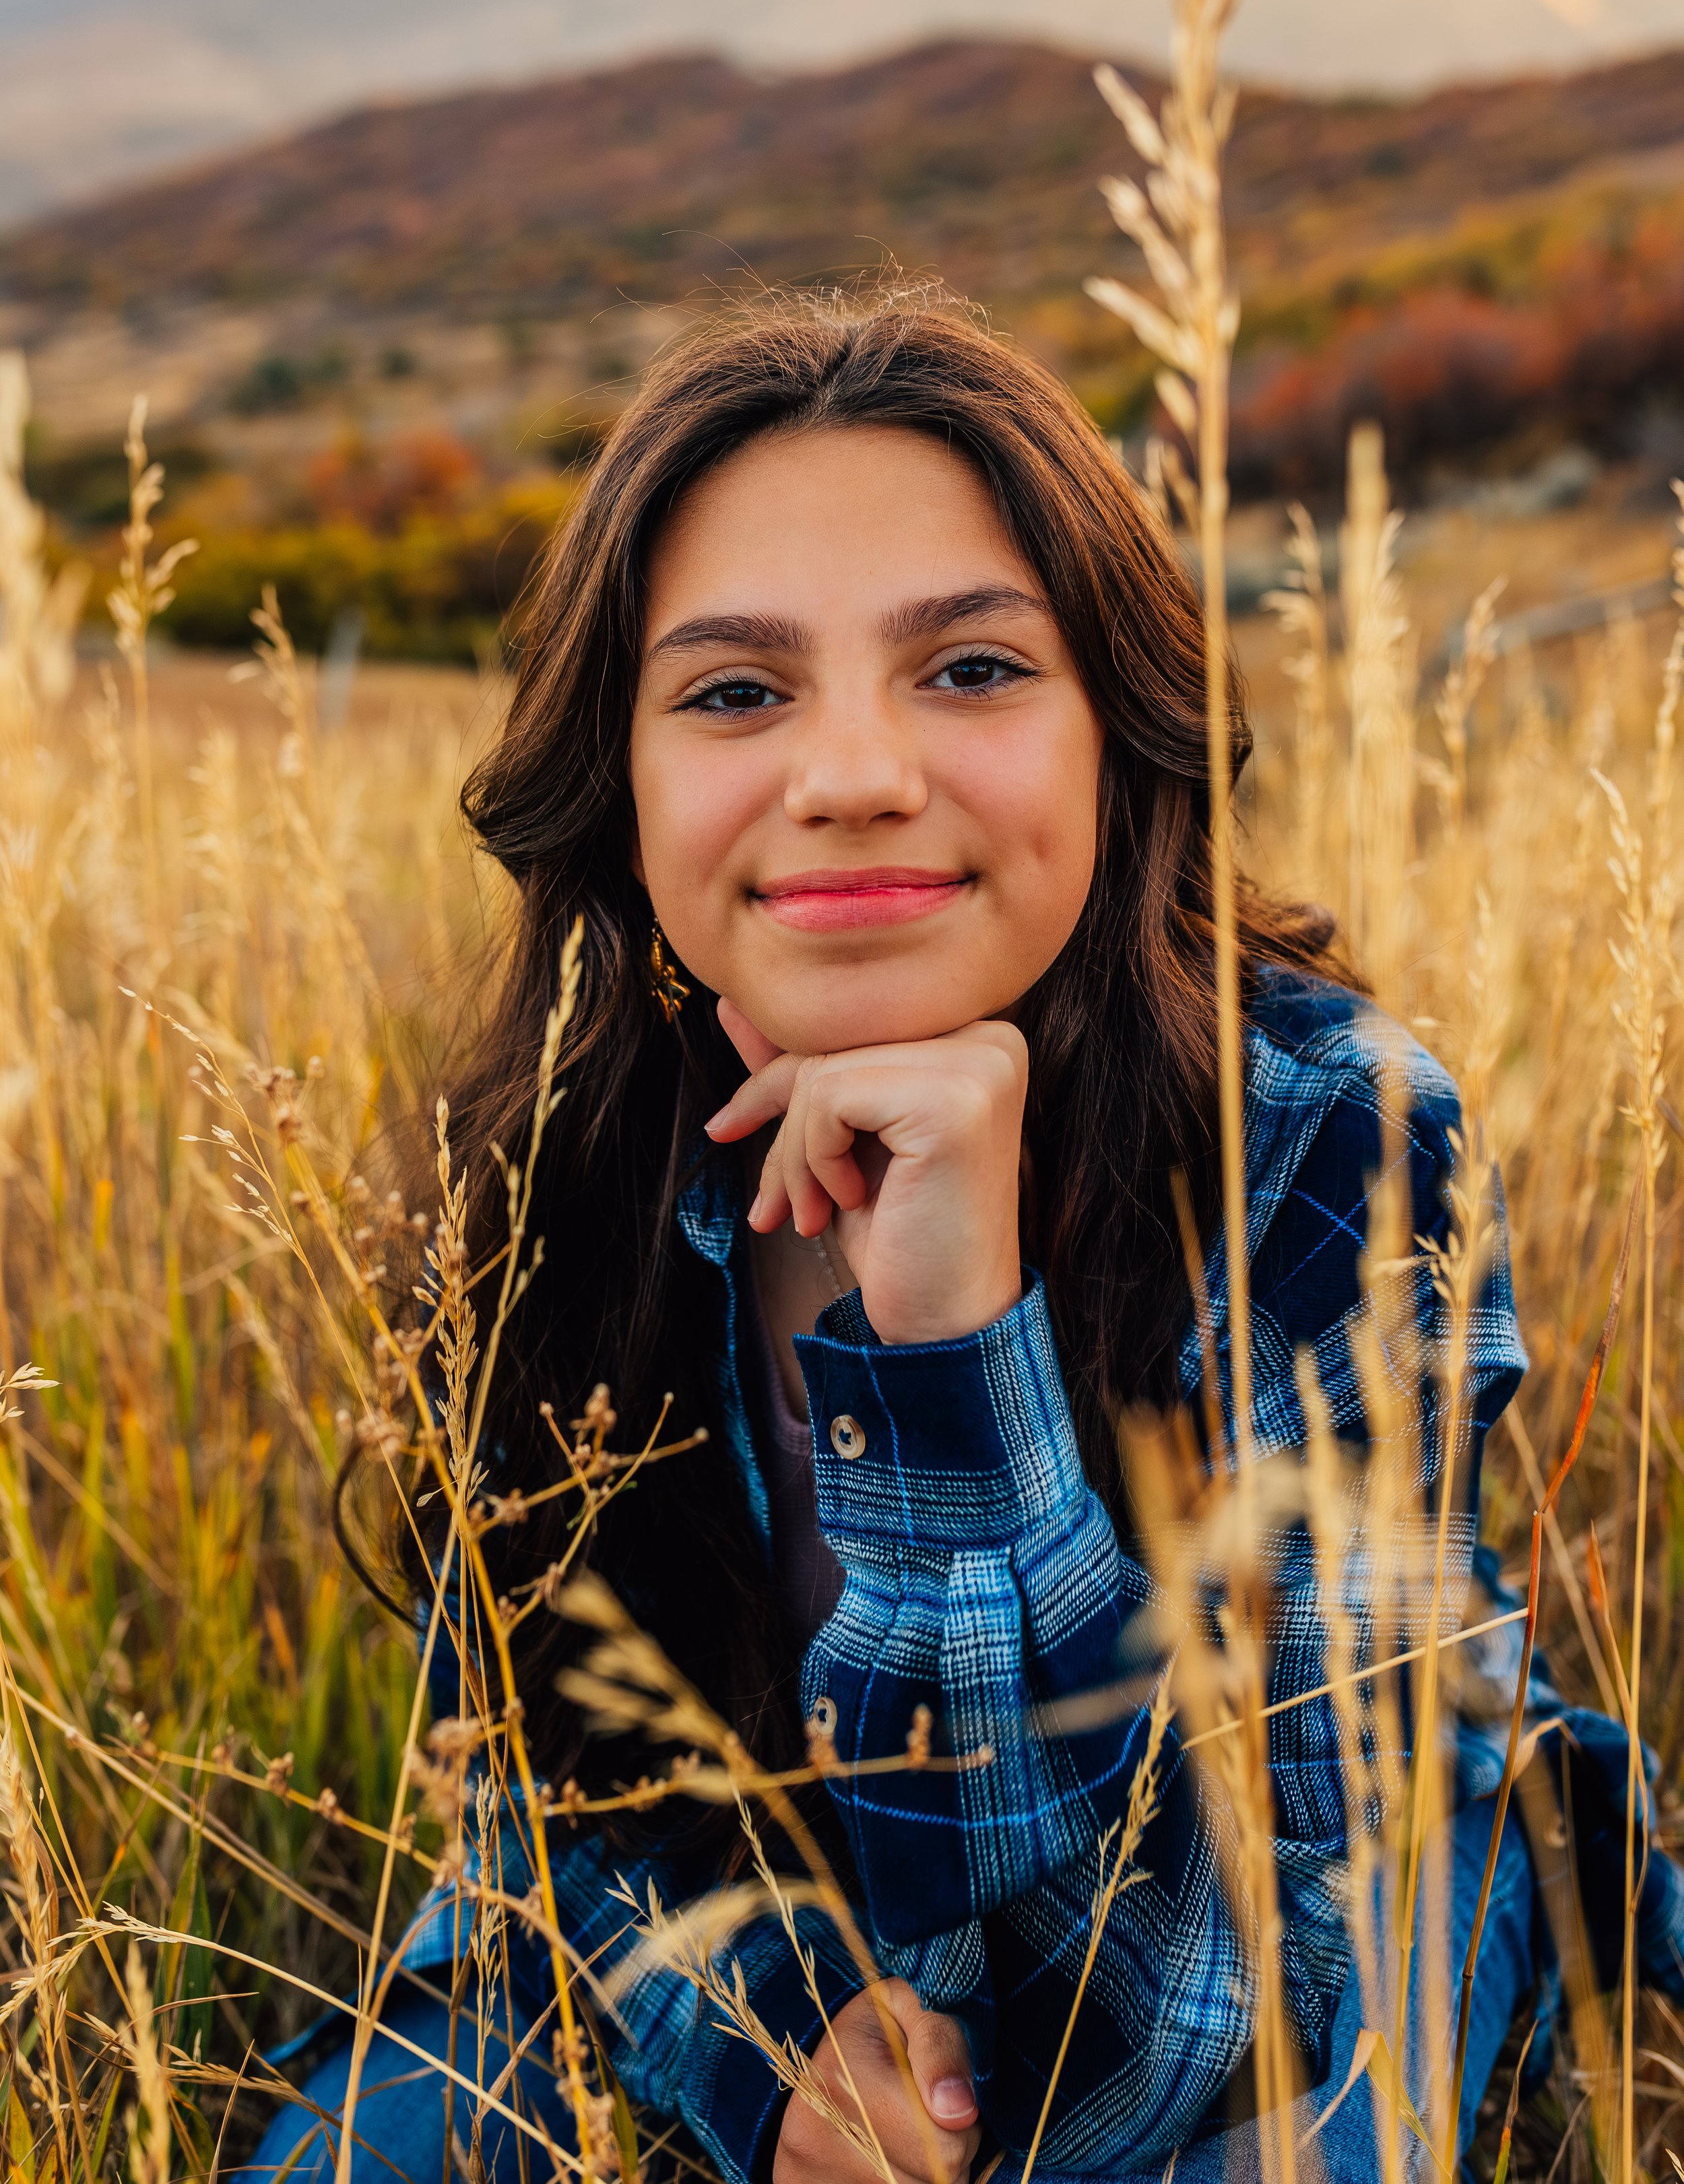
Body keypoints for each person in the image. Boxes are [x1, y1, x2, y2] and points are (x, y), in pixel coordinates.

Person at [246, 293, 1683, 2184]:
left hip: (1317, 1900)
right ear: (623, 782)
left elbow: (1197, 2026)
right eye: (736, 692)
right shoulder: (551, 1166)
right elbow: (542, 1800)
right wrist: (773, 2050)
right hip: (756, 1914)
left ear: (1121, 734)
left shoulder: (1333, 1138)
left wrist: (951, 1351)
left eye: (972, 670)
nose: (849, 773)